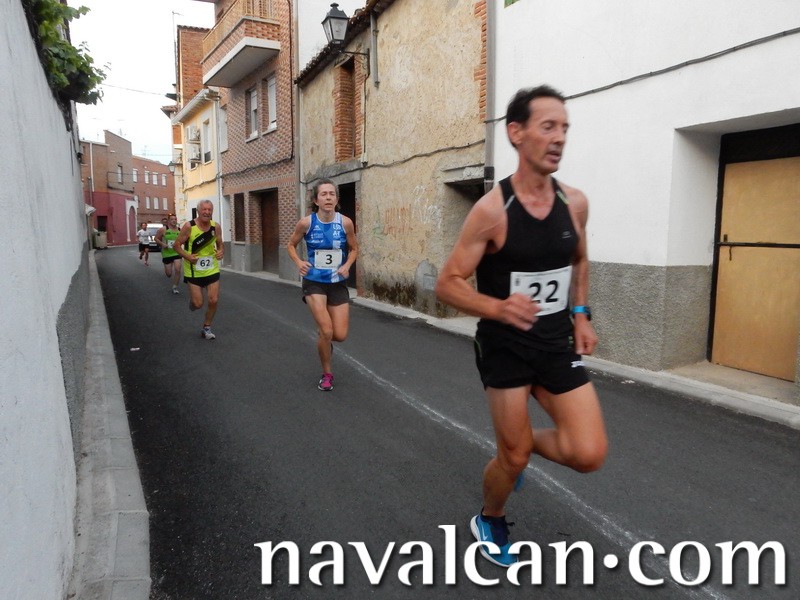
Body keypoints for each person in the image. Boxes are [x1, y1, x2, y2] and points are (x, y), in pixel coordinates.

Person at [435, 85, 608, 567]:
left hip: (554, 343)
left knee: (589, 452)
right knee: (512, 459)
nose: (559, 138)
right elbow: (448, 284)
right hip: (505, 347)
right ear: (516, 133)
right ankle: (490, 516)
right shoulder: (493, 211)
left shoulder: (575, 203)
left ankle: (516, 448)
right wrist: (497, 308)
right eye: (548, 126)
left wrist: (580, 313)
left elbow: (580, 259)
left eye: (564, 128)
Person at [287, 179, 358, 391]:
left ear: (336, 199)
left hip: (337, 283)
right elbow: (291, 245)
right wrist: (299, 262)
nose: (328, 197)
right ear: (316, 200)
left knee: (340, 335)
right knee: (326, 330)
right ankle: (327, 374)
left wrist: (347, 265)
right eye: (324, 194)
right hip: (314, 282)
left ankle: (325, 339)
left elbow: (354, 249)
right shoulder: (306, 223)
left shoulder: (345, 223)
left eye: (331, 194)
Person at [172, 200, 224, 339]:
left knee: (213, 300)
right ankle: (193, 303)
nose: (207, 212)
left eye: (209, 210)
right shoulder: (189, 226)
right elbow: (176, 245)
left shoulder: (216, 227)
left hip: (211, 268)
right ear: (198, 211)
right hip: (193, 270)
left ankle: (206, 328)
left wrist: (221, 251)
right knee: (198, 303)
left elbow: (220, 243)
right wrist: (187, 256)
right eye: (204, 209)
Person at [155, 213, 182, 294]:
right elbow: (156, 238)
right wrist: (162, 244)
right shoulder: (163, 229)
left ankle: (175, 287)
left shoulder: (180, 230)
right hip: (167, 253)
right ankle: (168, 267)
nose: (174, 221)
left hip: (177, 252)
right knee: (169, 274)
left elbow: (183, 240)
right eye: (172, 219)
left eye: (175, 219)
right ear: (169, 221)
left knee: (178, 269)